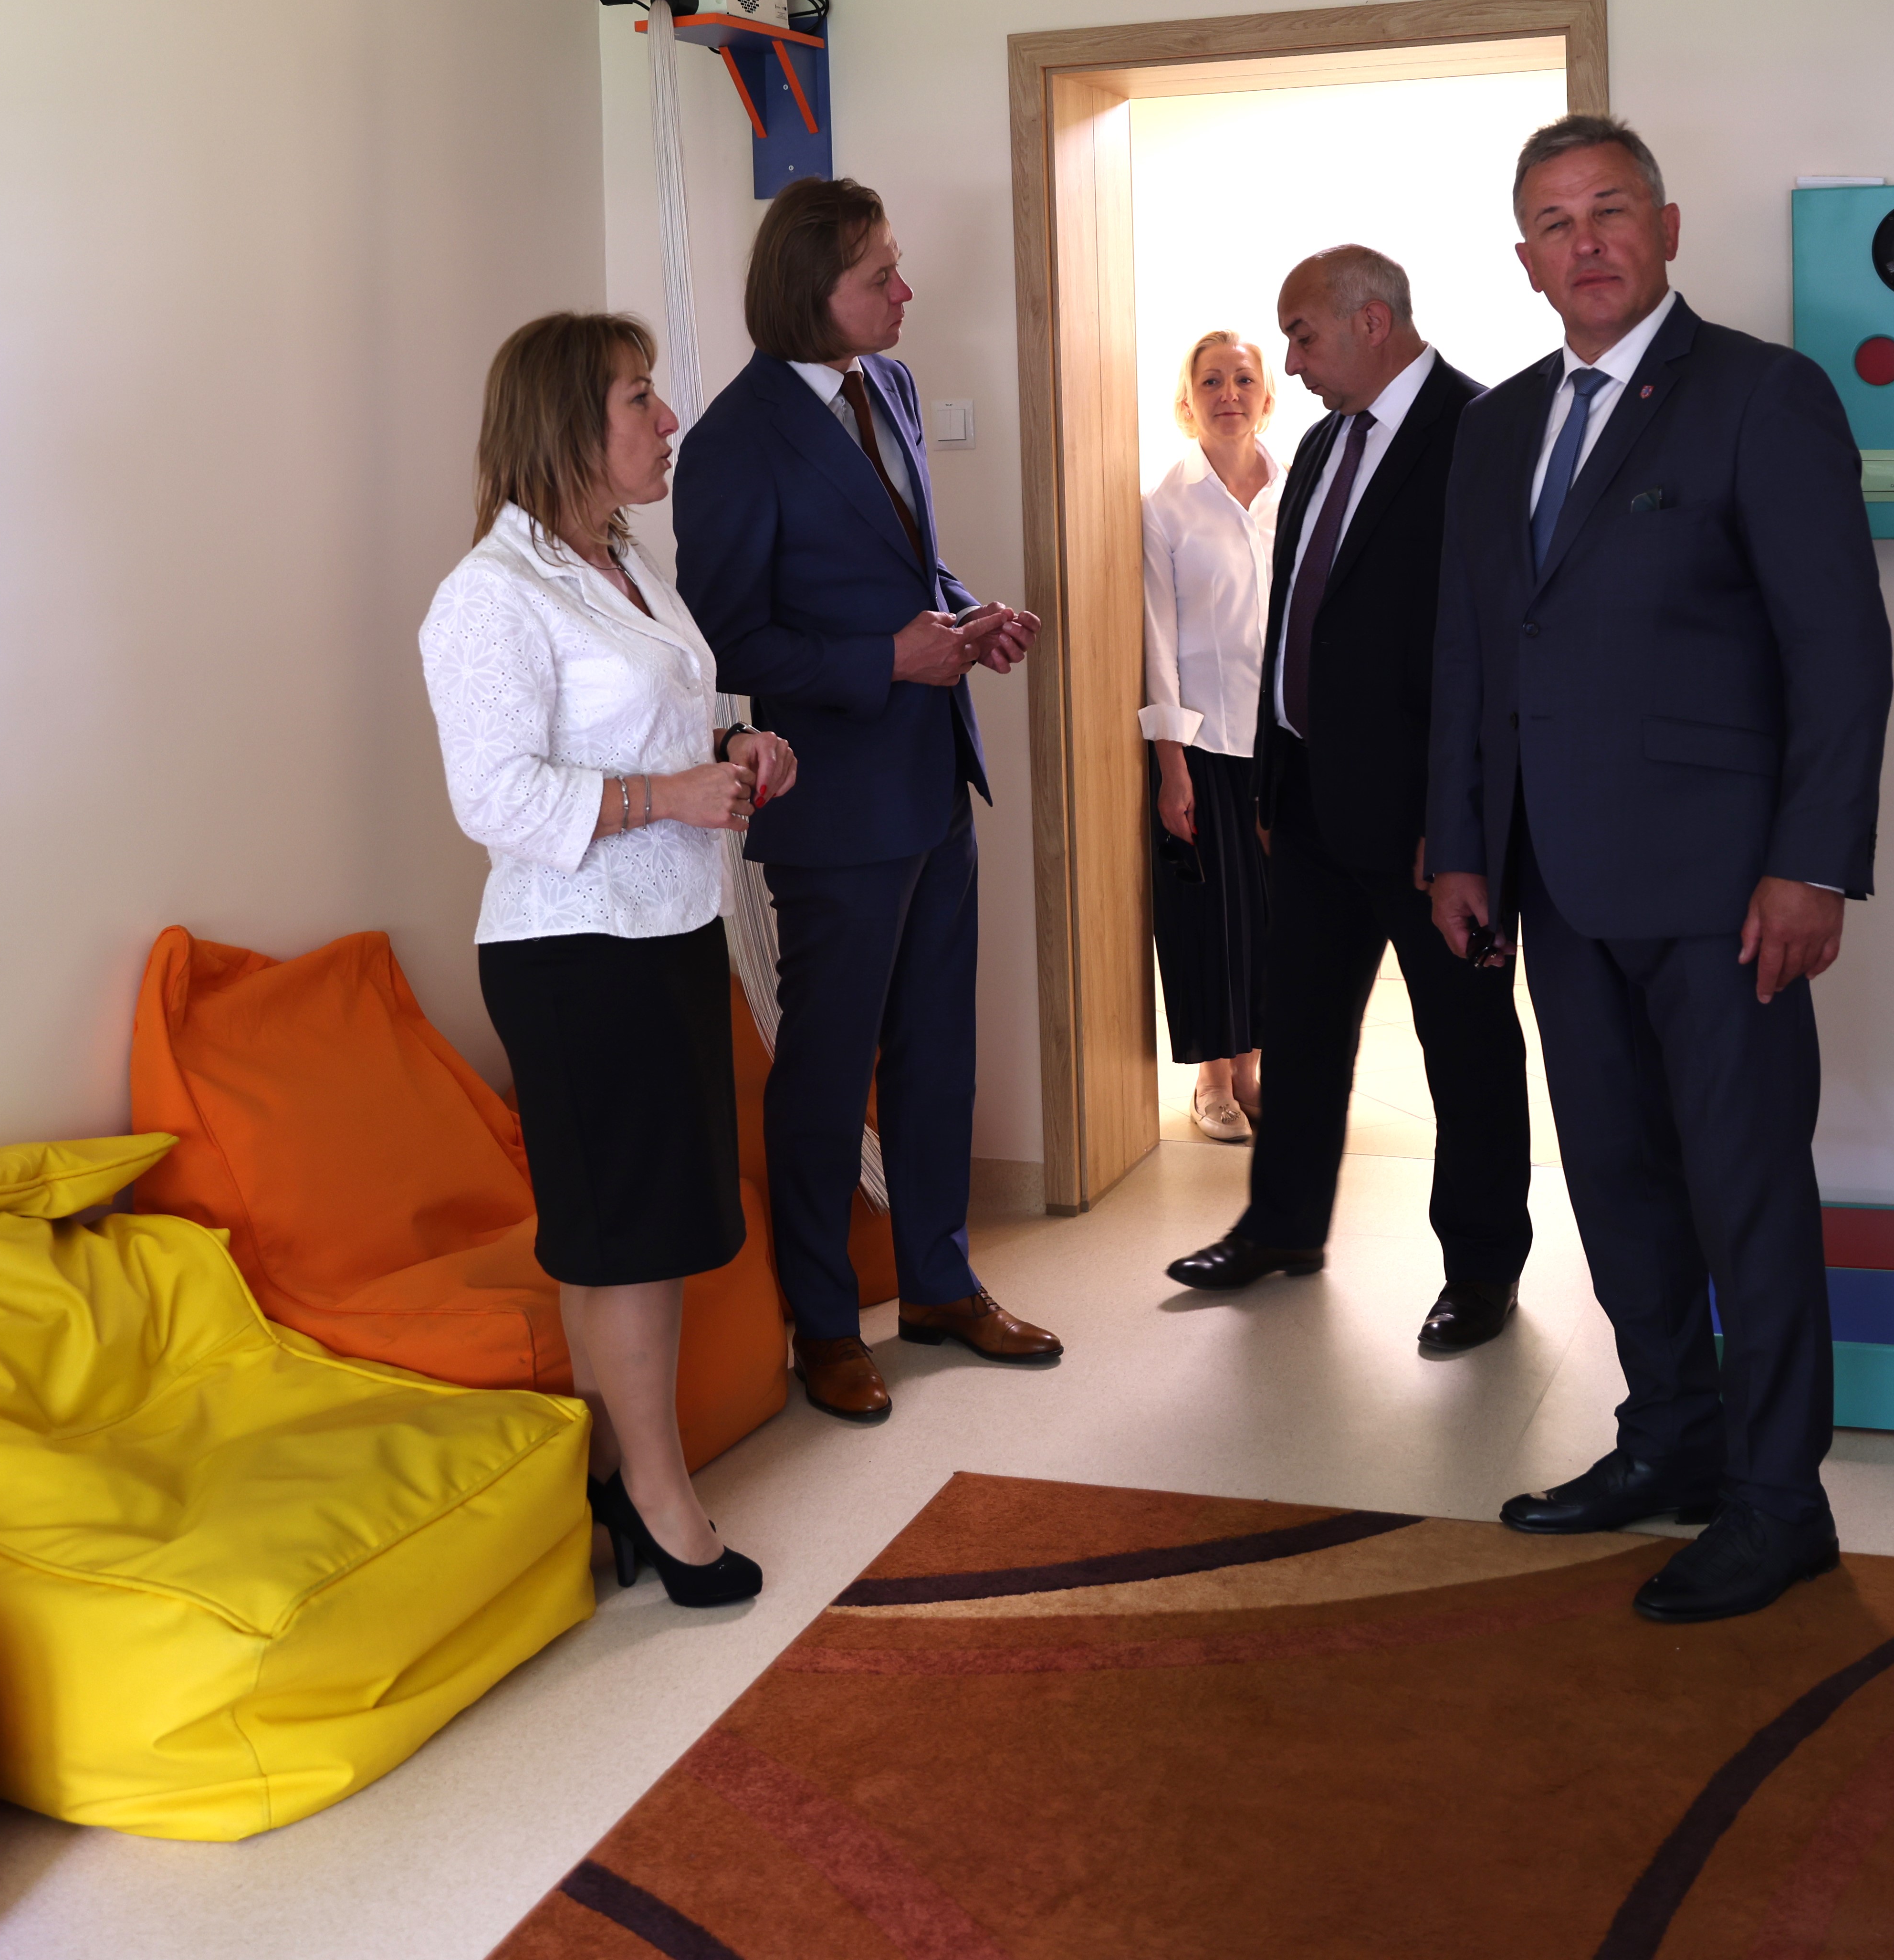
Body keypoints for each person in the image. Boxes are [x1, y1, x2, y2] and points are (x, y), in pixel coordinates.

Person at [1426, 117, 1894, 1622]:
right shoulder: (1495, 426)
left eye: (1610, 210)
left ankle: (1778, 1500)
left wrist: (1810, 864)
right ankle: (1670, 1439)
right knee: (1616, 1185)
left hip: (1723, 890)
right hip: (1554, 882)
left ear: (1667, 227)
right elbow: (1470, 655)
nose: (1587, 243)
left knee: (1743, 1193)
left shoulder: (1760, 395)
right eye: (1554, 222)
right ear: (1523, 258)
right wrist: (1456, 842)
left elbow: (1839, 651)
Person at [419, 310, 802, 1608]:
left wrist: (734, 749)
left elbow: (648, 725)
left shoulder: (622, 563)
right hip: (574, 956)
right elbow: (495, 798)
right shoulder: (490, 595)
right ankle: (663, 1502)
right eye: (639, 397)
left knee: (628, 1237)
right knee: (626, 1242)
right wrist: (669, 798)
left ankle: (614, 1483)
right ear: (566, 426)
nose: (667, 418)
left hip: (665, 933)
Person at [667, 177, 1061, 1427]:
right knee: (829, 1075)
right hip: (833, 804)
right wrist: (887, 660)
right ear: (810, 291)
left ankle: (939, 1285)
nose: (905, 291)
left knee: (938, 1052)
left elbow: (905, 564)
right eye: (879, 275)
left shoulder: (885, 386)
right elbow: (726, 641)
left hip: (932, 777)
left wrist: (965, 615)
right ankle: (825, 1326)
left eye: (896, 268)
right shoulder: (732, 442)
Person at [1167, 247, 1535, 1354]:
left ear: (1371, 322)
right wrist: (1272, 778)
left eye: (1302, 336)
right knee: (1301, 1029)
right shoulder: (1325, 443)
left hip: (1432, 826)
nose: (1288, 363)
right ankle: (1280, 1226)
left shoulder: (1483, 431)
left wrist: (1462, 818)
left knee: (1464, 1046)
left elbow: (1499, 644)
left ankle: (1481, 1268)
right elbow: (1297, 612)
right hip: (1309, 802)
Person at [1141, 330, 1281, 1143]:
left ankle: (1254, 1069)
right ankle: (1212, 1080)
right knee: (1210, 919)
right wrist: (1171, 763)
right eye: (1211, 381)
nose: (1228, 393)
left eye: (1243, 379)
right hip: (1202, 744)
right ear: (1187, 401)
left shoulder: (1296, 491)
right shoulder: (1166, 504)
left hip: (1285, 741)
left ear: (1266, 397)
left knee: (1273, 917)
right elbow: (1157, 638)